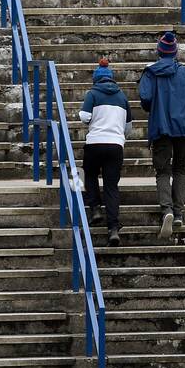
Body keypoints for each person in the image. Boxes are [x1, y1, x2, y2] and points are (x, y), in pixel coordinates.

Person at [138, 31, 185, 240]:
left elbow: (145, 99)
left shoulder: (150, 73)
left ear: (159, 52)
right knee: (180, 170)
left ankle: (167, 210)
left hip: (161, 128)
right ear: (175, 52)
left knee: (162, 171)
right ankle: (178, 213)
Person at [79, 57, 131, 247]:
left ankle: (95, 208)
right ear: (112, 78)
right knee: (111, 186)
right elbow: (128, 127)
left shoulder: (92, 94)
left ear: (96, 79)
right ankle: (113, 228)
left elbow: (85, 117)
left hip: (94, 143)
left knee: (89, 173)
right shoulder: (122, 97)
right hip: (116, 145)